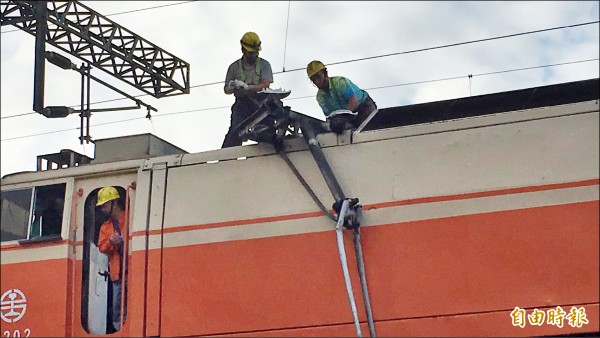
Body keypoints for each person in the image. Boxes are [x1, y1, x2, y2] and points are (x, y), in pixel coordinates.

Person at [222, 31, 274, 148]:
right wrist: (234, 87)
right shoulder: (234, 67)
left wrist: (248, 87)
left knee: (268, 133)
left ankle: (270, 155)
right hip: (242, 104)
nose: (254, 55)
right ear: (243, 50)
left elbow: (265, 85)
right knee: (235, 132)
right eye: (251, 53)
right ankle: (226, 159)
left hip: (261, 104)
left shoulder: (264, 65)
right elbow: (226, 89)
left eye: (256, 52)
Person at [306, 60, 377, 133]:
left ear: (325, 73)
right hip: (347, 115)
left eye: (318, 76)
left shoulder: (340, 83)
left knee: (367, 132)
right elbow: (329, 116)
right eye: (313, 80)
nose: (317, 81)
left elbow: (353, 101)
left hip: (364, 106)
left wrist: (343, 118)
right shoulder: (320, 97)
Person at [96, 186, 127, 331]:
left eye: (105, 204)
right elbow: (102, 247)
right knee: (118, 310)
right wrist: (111, 242)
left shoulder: (130, 218)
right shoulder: (105, 227)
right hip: (118, 274)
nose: (102, 208)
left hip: (134, 271)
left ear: (114, 203)